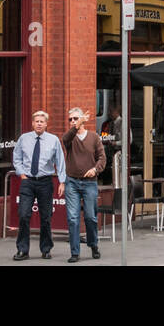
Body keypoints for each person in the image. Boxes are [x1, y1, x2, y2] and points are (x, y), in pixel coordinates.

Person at [12, 110, 65, 261]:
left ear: (46, 124)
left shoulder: (53, 140)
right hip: (27, 181)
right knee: (23, 215)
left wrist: (62, 181)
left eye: (42, 121)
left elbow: (60, 161)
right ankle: (22, 250)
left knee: (46, 217)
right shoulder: (24, 138)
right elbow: (17, 157)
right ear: (33, 123)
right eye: (37, 121)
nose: (39, 124)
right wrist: (21, 174)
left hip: (45, 182)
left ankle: (46, 249)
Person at [62, 107, 106, 263]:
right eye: (71, 119)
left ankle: (93, 244)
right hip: (72, 182)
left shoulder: (94, 137)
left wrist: (95, 169)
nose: (73, 121)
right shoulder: (70, 138)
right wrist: (77, 124)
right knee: (72, 218)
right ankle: (75, 252)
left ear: (82, 120)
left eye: (76, 119)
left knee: (90, 217)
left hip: (89, 183)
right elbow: (65, 139)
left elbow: (102, 158)